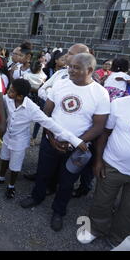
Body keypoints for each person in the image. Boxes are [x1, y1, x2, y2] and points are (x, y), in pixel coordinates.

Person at [20, 53, 110, 232]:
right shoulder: (61, 84)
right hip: (50, 141)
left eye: (76, 68)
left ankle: (59, 211)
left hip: (77, 148)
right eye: (70, 66)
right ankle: (37, 197)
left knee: (67, 181)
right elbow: (46, 113)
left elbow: (99, 126)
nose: (71, 70)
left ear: (90, 70)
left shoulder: (100, 93)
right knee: (43, 173)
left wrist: (73, 142)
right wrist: (51, 137)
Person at [79, 68, 130, 247]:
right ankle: (94, 229)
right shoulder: (120, 104)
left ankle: (118, 239)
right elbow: (104, 133)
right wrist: (98, 161)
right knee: (102, 201)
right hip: (113, 165)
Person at [0, 79, 86, 198]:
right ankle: (1, 177)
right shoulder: (7, 98)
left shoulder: (31, 108)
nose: (8, 92)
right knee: (4, 157)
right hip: (8, 137)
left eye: (11, 91)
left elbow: (50, 123)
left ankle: (11, 186)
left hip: (19, 141)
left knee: (15, 164)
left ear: (20, 96)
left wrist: (75, 140)